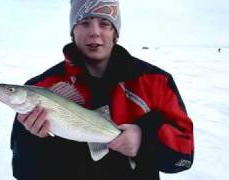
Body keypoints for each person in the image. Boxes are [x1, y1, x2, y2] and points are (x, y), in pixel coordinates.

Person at [10, 0, 194, 180]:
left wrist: (144, 140)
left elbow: (184, 156)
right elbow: (22, 172)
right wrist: (33, 139)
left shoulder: (156, 81)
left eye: (105, 24)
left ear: (115, 33)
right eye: (84, 23)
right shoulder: (40, 88)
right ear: (73, 31)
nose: (94, 32)